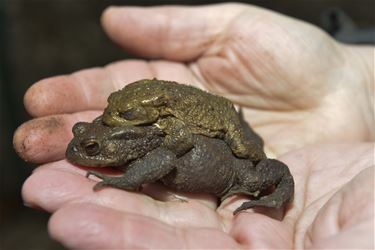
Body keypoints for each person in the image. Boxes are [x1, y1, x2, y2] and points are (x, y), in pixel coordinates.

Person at [13, 3, 374, 249]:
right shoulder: (145, 130)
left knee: (252, 175)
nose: (82, 147)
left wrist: (126, 181)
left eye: (92, 147)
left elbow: (165, 159)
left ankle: (280, 186)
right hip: (208, 133)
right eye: (88, 140)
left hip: (229, 169)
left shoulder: (156, 138)